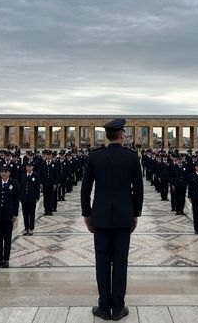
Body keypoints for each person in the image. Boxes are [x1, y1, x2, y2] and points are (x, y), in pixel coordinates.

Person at [80, 118, 144, 321]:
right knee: (120, 263)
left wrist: (86, 213)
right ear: (122, 135)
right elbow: (138, 190)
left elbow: (85, 188)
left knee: (102, 262)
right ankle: (118, 308)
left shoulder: (95, 157)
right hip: (124, 218)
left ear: (107, 136)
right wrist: (136, 214)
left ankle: (103, 305)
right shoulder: (131, 157)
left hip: (100, 218)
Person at [0, 164, 19, 268]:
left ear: (9, 173)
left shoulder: (13, 183)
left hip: (8, 215)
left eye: (5, 172)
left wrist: (15, 214)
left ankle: (6, 259)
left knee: (7, 238)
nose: (3, 174)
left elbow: (16, 200)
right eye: (2, 172)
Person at [19, 162, 40, 236]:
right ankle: (26, 228)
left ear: (32, 167)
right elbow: (20, 187)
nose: (28, 167)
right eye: (27, 166)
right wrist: (20, 197)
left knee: (32, 213)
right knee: (25, 214)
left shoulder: (36, 175)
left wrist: (37, 197)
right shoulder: (23, 175)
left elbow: (37, 187)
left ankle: (31, 228)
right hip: (24, 197)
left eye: (30, 166)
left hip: (32, 198)